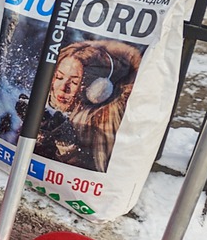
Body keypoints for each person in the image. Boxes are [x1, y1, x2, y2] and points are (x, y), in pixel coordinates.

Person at [27, 39, 143, 172]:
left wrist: (66, 145)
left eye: (75, 82)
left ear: (95, 89)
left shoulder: (103, 117)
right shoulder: (46, 105)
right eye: (59, 77)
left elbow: (92, 169)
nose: (63, 87)